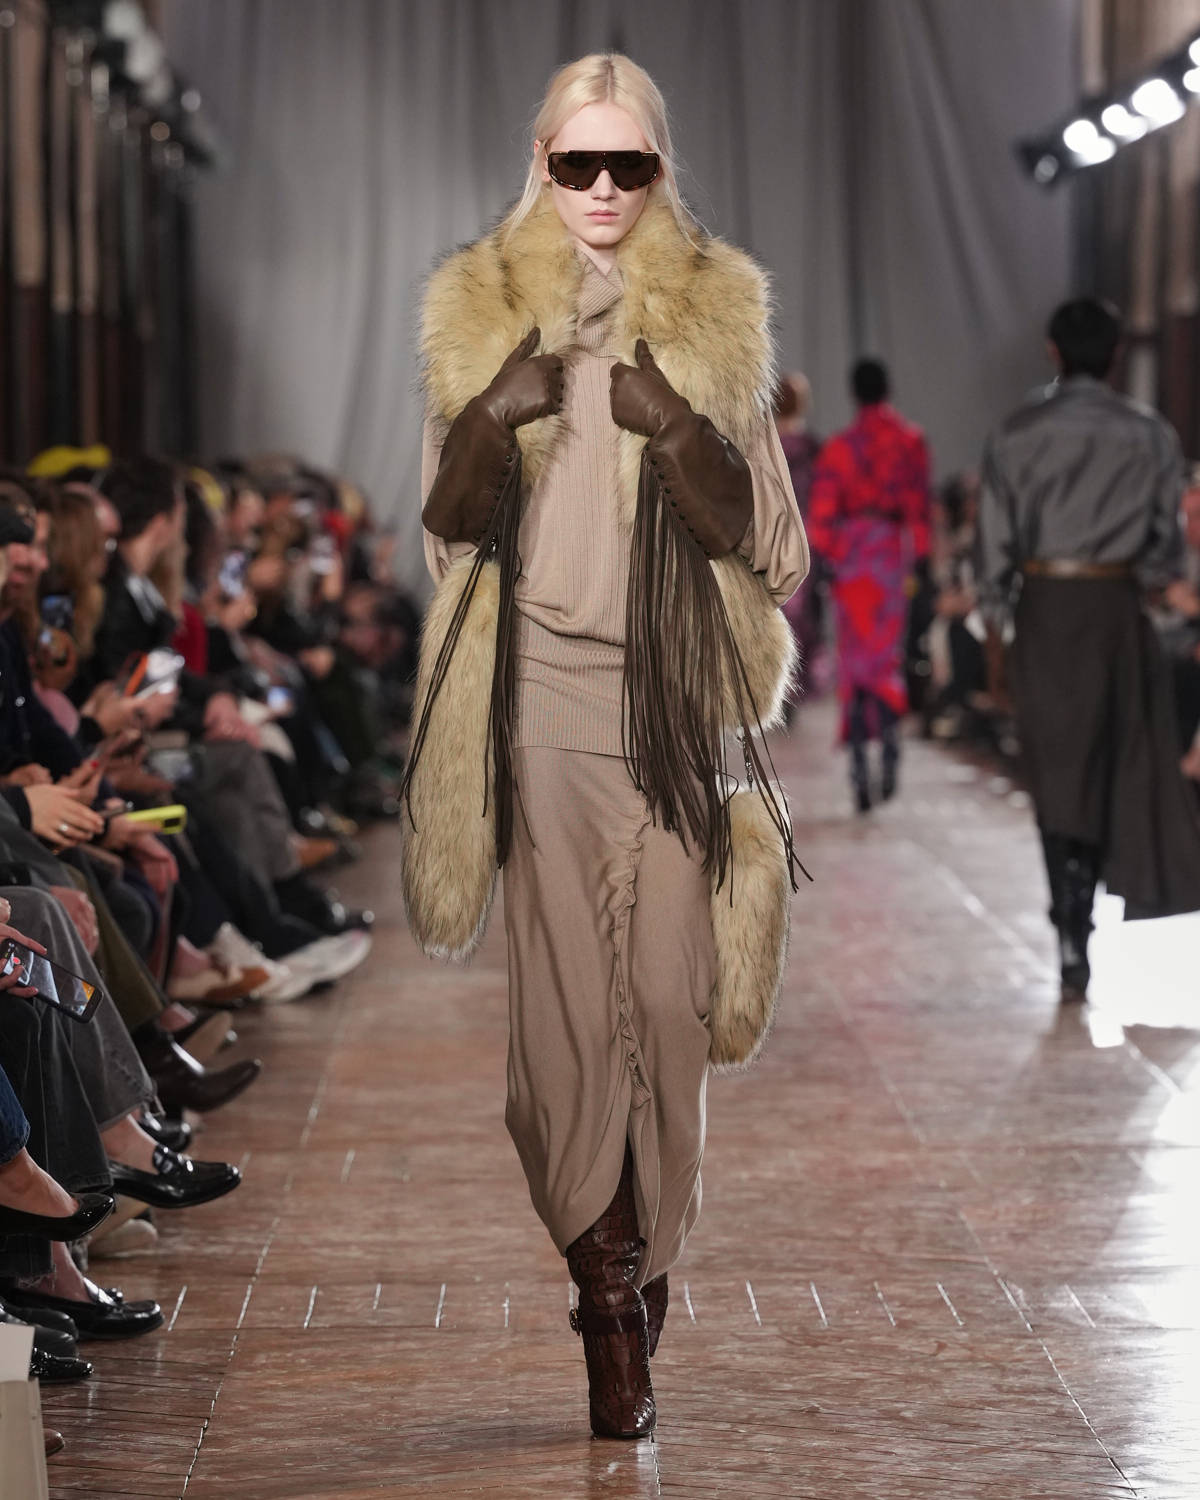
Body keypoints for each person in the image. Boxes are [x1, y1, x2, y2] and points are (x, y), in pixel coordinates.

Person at [402, 53, 807, 1440]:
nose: (601, 190)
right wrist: (495, 413)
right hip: (542, 707)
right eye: (577, 163)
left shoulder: (717, 312)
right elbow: (447, 531)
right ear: (542, 162)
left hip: (675, 712)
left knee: (674, 1011)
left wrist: (677, 426)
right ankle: (612, 1302)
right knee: (572, 1025)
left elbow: (775, 545)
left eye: (626, 164)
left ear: (658, 169)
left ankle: (640, 1262)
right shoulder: (480, 312)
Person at [977, 297, 1200, 1000]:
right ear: (1116, 355)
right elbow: (1168, 551)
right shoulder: (1151, 435)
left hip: (1045, 610)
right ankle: (1083, 910)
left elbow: (994, 549)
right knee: (1111, 763)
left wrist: (996, 621)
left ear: (1052, 351)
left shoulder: (1015, 432)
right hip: (1117, 612)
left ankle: (1069, 921)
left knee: (1055, 769)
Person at [807, 359, 932, 811]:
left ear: (854, 393)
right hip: (890, 558)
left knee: (855, 664)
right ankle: (891, 752)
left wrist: (826, 557)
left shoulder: (839, 448)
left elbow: (822, 512)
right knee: (887, 659)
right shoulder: (910, 441)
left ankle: (860, 767)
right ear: (888, 389)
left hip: (852, 559)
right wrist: (922, 560)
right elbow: (919, 506)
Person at [773, 373, 826, 703]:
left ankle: (776, 683)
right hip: (806, 538)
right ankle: (797, 686)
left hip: (770, 537)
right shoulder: (813, 448)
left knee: (774, 608)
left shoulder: (760, 444)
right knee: (804, 614)